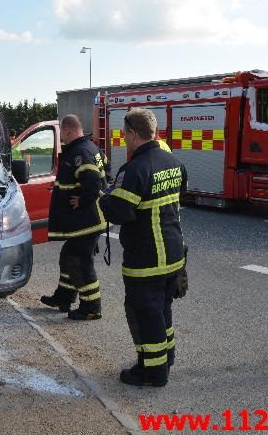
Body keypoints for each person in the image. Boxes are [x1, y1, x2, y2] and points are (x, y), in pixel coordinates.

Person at [99, 109, 187, 387]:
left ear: (133, 134)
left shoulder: (136, 169)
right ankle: (167, 357)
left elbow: (119, 212)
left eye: (125, 134)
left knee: (145, 313)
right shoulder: (173, 162)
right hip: (173, 254)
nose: (124, 139)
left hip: (147, 258)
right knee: (163, 310)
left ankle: (153, 372)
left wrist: (104, 199)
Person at [40, 114, 108, 320]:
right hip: (85, 220)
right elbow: (106, 168)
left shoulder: (80, 152)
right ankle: (64, 297)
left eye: (61, 131)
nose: (61, 135)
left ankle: (91, 307)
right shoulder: (90, 147)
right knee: (68, 256)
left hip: (87, 220)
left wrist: (84, 199)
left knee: (78, 261)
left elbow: (94, 180)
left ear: (68, 130)